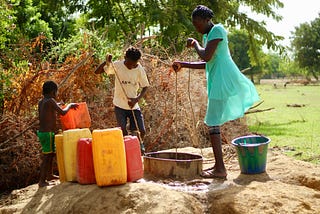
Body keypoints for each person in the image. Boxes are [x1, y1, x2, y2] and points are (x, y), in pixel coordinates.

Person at [172, 5, 260, 179]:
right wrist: (184, 64)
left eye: (197, 23)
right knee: (213, 122)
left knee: (212, 122)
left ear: (207, 20)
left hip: (223, 79)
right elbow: (208, 62)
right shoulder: (208, 35)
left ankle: (220, 169)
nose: (196, 27)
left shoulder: (218, 29)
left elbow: (206, 56)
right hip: (217, 79)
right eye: (194, 24)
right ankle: (219, 166)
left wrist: (195, 44)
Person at [96, 47, 150, 154]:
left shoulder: (139, 69)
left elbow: (145, 87)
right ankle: (127, 153)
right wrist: (106, 61)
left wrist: (136, 99)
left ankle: (138, 148)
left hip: (133, 106)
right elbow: (97, 72)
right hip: (120, 105)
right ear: (125, 58)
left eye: (134, 64)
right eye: (129, 64)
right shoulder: (117, 65)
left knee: (141, 131)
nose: (131, 66)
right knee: (123, 131)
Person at [37, 80, 78, 187]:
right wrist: (70, 105)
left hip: (43, 133)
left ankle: (49, 175)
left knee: (51, 154)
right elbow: (63, 113)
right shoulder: (50, 101)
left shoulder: (42, 102)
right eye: (56, 92)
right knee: (47, 157)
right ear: (52, 92)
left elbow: (53, 107)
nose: (56, 94)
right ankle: (42, 181)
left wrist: (59, 104)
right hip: (47, 133)